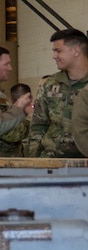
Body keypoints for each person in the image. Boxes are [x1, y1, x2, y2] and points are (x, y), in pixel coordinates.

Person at [30, 27, 88, 157]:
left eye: (58, 51)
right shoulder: (50, 84)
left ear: (76, 51)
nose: (54, 56)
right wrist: (34, 159)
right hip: (51, 160)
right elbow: (38, 125)